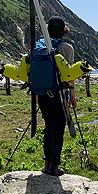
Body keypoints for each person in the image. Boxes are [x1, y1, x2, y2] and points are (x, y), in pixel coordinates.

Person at [38, 16, 76, 176]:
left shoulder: (39, 46)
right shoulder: (66, 47)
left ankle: (47, 162)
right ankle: (54, 165)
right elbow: (69, 76)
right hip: (59, 94)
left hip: (42, 93)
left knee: (48, 127)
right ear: (64, 30)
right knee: (58, 128)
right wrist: (73, 97)